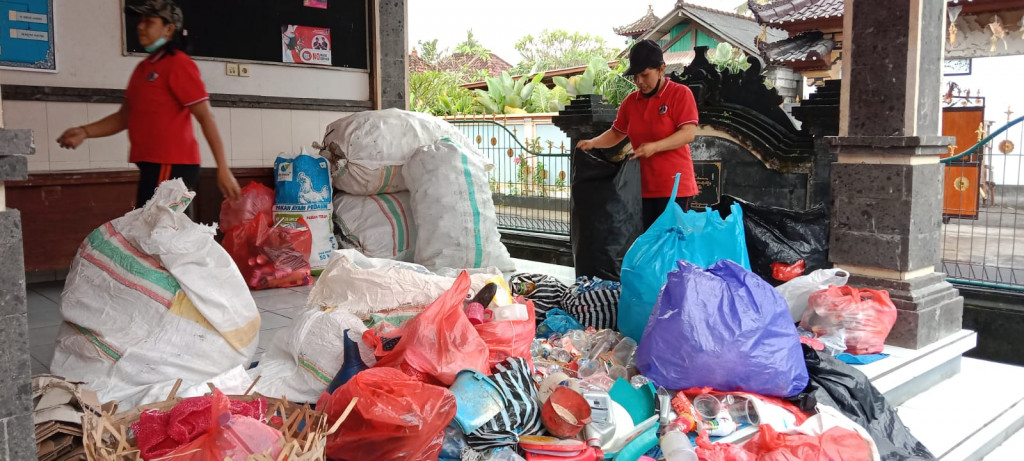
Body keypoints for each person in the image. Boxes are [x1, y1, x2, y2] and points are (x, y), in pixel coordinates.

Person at [56, 0, 241, 208]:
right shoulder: (143, 69)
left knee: (155, 232)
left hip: (171, 166)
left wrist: (222, 168)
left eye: (149, 22)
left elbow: (206, 117)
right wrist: (84, 131)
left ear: (168, 28)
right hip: (152, 166)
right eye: (141, 21)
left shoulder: (179, 64)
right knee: (158, 232)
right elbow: (123, 117)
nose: (140, 26)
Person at [576, 39, 699, 230]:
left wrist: (655, 146)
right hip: (639, 187)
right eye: (635, 76)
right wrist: (593, 143)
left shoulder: (680, 94)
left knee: (667, 246)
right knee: (643, 245)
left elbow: (688, 134)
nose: (639, 82)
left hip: (674, 189)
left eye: (644, 75)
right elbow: (616, 133)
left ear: (661, 69)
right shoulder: (630, 102)